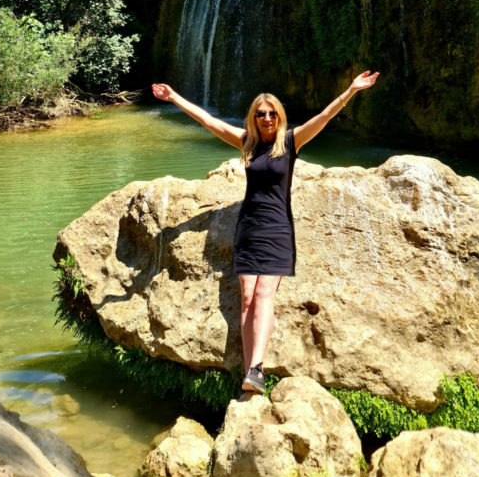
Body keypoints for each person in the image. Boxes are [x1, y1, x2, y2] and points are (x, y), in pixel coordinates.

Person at [151, 72, 379, 394]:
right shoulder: (247, 143)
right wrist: (173, 97)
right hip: (249, 226)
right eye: (261, 114)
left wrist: (351, 91)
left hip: (277, 229)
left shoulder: (290, 142)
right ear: (254, 119)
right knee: (245, 299)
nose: (267, 118)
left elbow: (324, 117)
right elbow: (207, 120)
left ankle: (258, 367)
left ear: (279, 117)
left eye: (272, 113)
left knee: (263, 295)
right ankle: (249, 373)